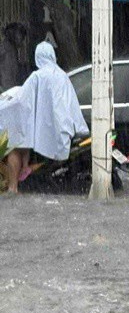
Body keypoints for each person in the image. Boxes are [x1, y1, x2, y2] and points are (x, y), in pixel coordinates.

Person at [0, 41, 88, 194]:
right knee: (24, 137)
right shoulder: (63, 76)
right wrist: (79, 127)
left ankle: (13, 188)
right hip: (63, 132)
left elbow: (21, 101)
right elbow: (73, 105)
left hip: (46, 134)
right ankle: (26, 168)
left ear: (37, 57)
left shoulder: (37, 77)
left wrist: (4, 106)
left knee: (14, 143)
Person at [0, 23, 28, 93]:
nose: (22, 40)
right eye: (21, 36)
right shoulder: (4, 49)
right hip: (5, 90)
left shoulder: (13, 49)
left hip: (11, 89)